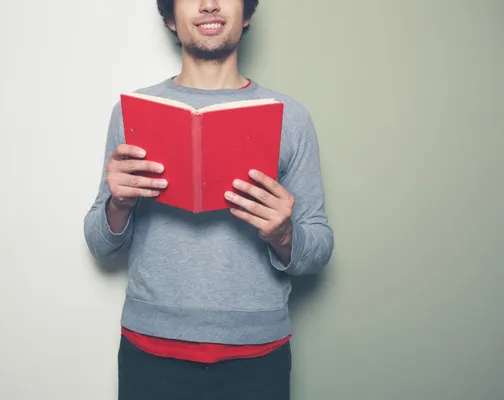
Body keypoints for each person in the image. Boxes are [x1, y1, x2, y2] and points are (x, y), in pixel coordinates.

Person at [83, 0, 334, 398]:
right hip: (150, 349)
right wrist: (118, 203)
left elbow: (319, 250)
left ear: (247, 13)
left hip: (257, 356)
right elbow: (99, 244)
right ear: (169, 16)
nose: (209, 4)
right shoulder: (130, 113)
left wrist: (284, 234)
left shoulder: (291, 117)